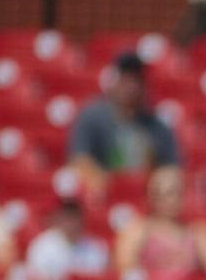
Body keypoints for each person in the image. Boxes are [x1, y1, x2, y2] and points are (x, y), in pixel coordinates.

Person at [67, 52, 181, 201]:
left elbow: (172, 170)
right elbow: (79, 160)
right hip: (102, 197)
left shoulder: (158, 127)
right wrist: (112, 187)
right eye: (126, 79)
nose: (131, 86)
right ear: (115, 80)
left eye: (137, 80)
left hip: (146, 200)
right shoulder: (92, 116)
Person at [114, 166, 206, 280]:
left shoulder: (199, 232)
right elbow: (125, 275)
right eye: (160, 193)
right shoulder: (136, 231)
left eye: (174, 192)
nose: (167, 199)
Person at [25, 200, 109, 280]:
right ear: (59, 219)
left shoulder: (96, 248)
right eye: (68, 218)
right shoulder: (42, 246)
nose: (72, 224)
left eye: (75, 218)